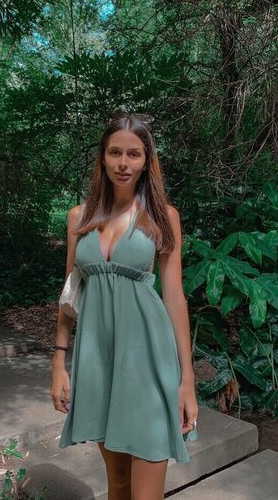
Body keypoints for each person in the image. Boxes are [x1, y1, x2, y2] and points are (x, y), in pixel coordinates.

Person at [51, 111, 198, 500]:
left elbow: (174, 298)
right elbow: (70, 295)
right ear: (102, 157)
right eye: (115, 152)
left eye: (134, 154)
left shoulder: (163, 217)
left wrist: (187, 380)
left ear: (147, 160)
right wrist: (58, 362)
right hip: (99, 360)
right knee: (117, 483)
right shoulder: (79, 218)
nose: (123, 163)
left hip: (149, 360)